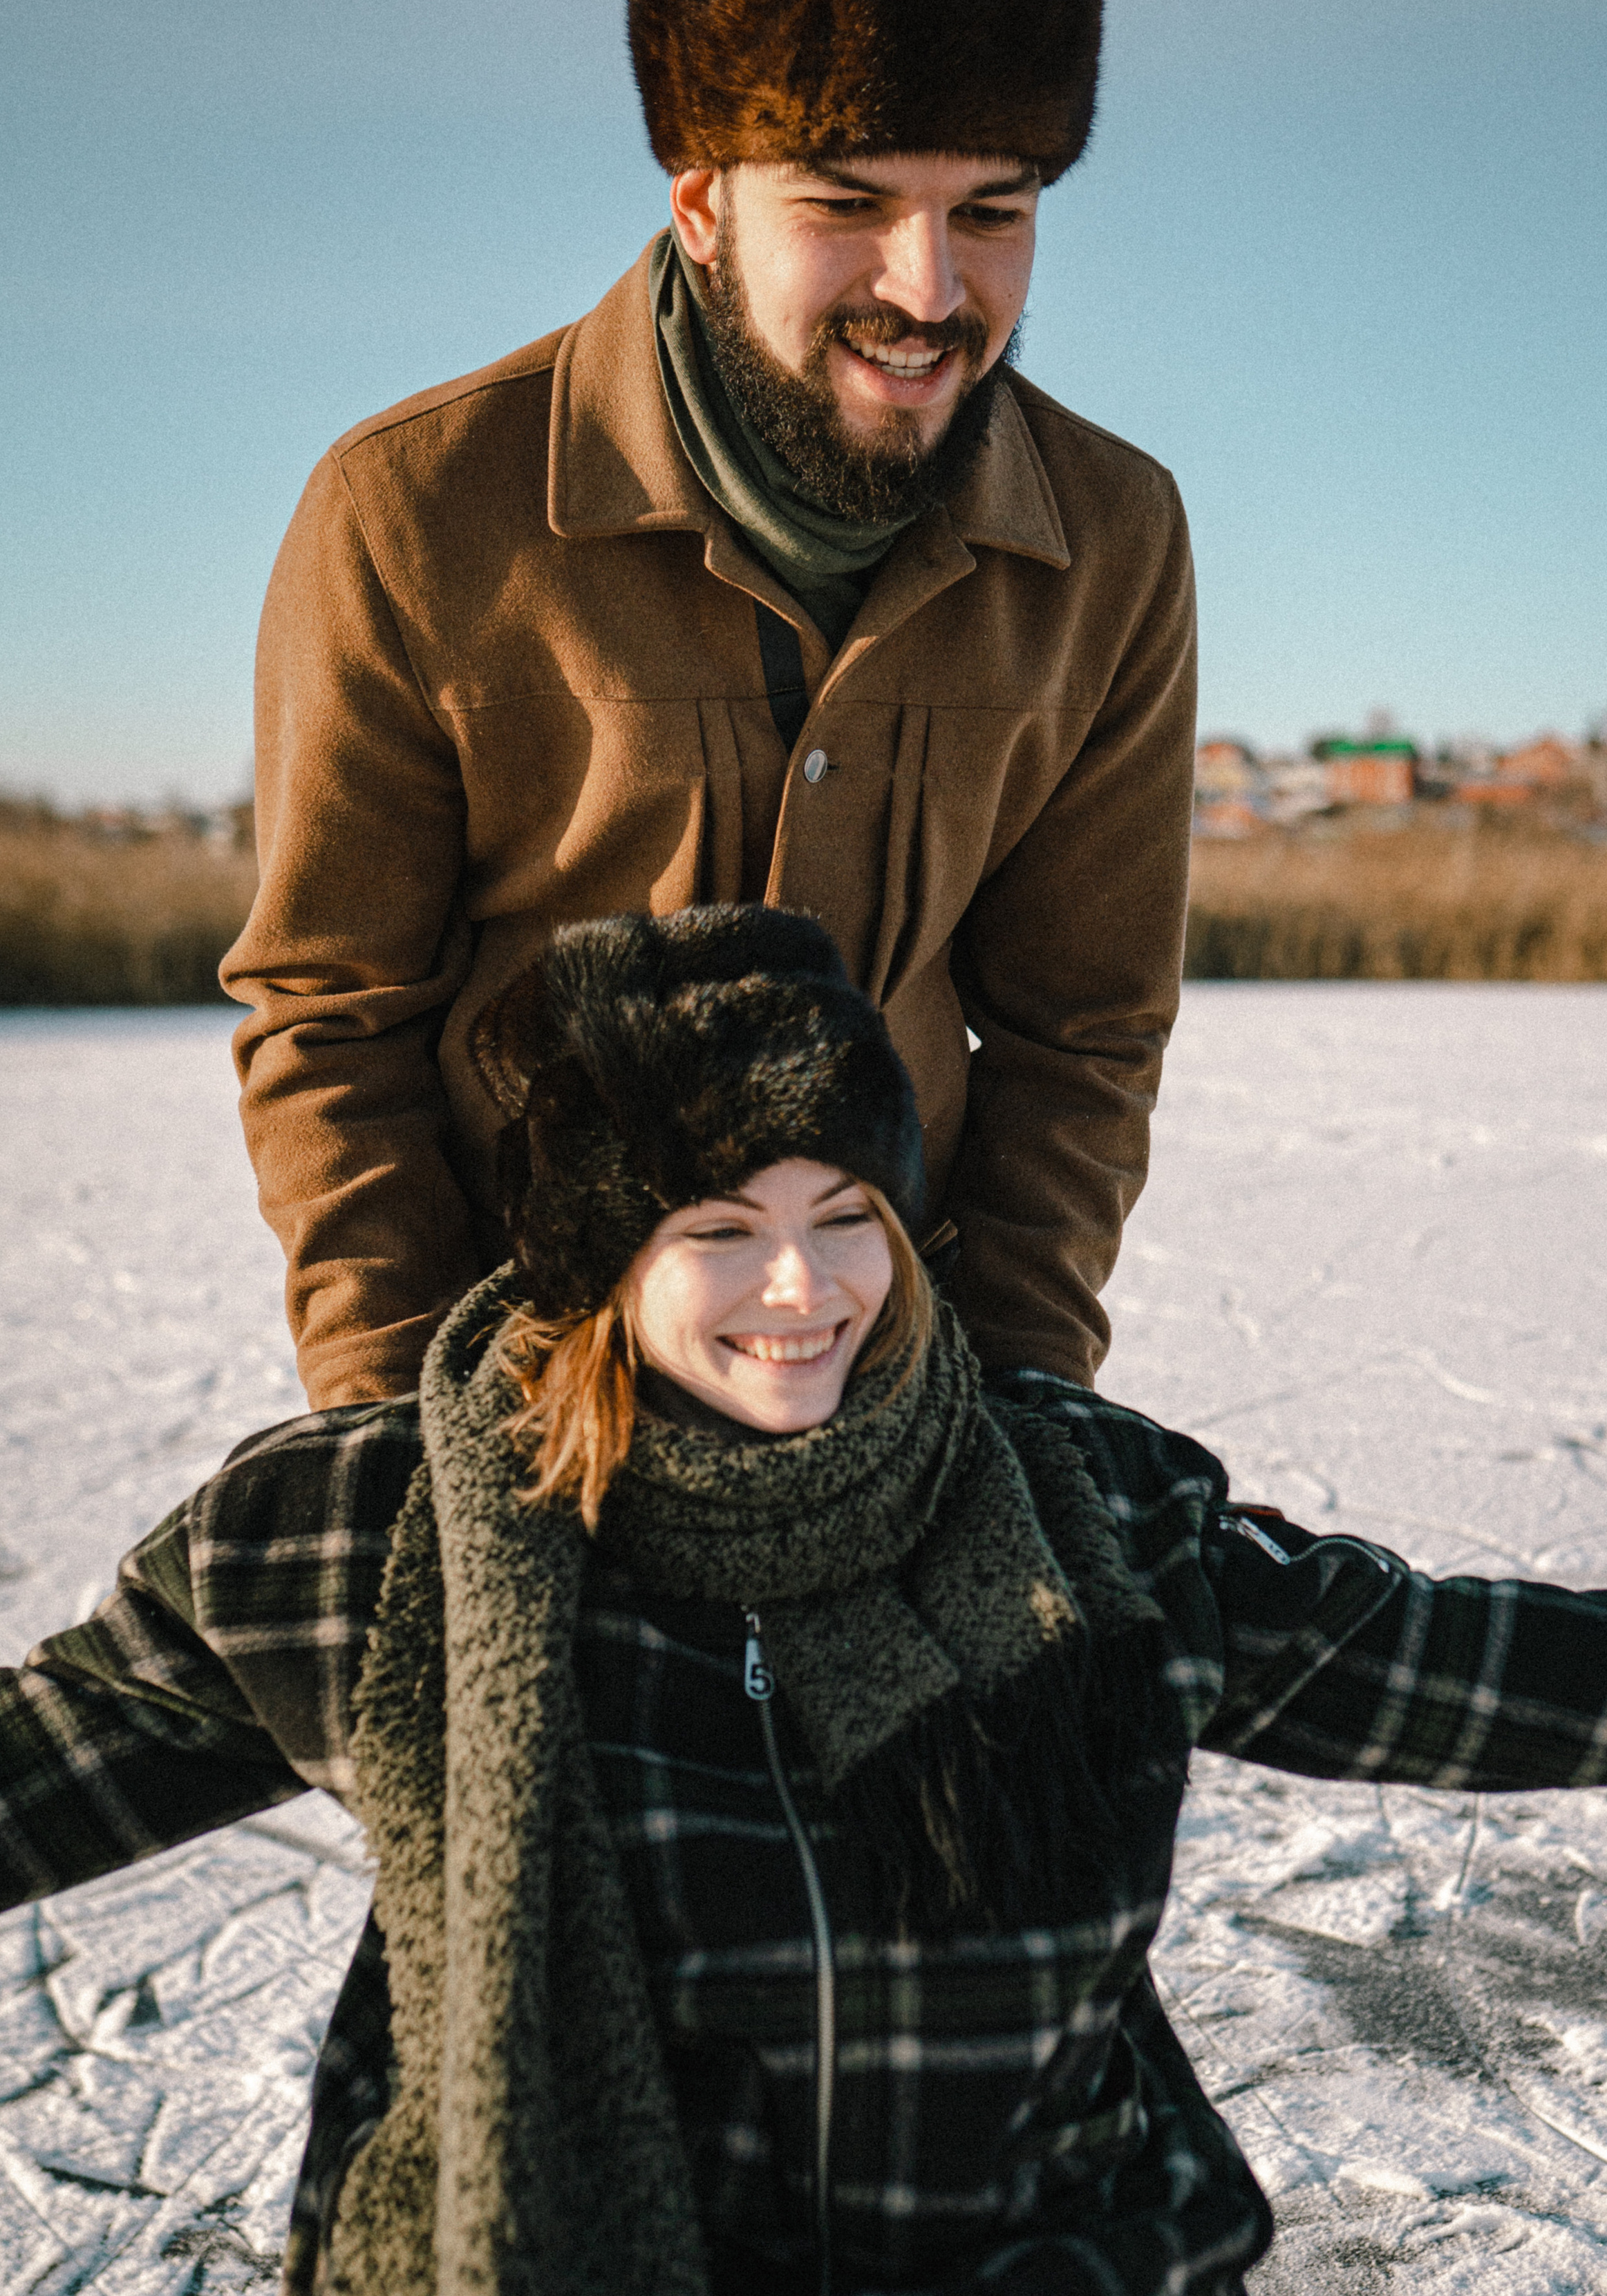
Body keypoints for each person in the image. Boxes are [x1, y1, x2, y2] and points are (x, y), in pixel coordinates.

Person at [4, 910, 1607, 2296]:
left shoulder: (1073, 1510)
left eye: (845, 1215)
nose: (803, 1288)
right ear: (597, 1259)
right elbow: (56, 1755)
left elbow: (1417, 1658)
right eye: (720, 1230)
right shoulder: (381, 1539)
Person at [222, 0, 1198, 1416]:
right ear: (700, 206)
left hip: (891, 1365)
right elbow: (333, 1015)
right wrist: (389, 1417)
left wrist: (1021, 1389)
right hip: (530, 1370)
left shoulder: (1112, 535)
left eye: (990, 210)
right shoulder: (412, 509)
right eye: (847, 205)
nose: (928, 290)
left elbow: (1085, 1030)